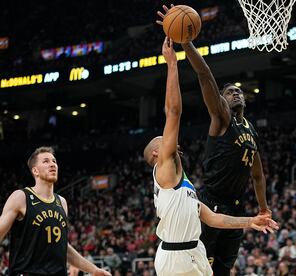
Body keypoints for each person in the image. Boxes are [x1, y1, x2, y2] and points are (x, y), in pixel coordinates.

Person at [143, 37, 279, 276]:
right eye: (230, 92)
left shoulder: (185, 186)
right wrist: (180, 52)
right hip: (182, 248)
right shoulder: (166, 166)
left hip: (226, 214)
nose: (236, 93)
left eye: (239, 91)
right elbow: (179, 105)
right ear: (157, 152)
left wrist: (256, 216)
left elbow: (218, 216)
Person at [0, 146, 111, 276]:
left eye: (54, 161)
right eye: (46, 161)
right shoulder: (21, 197)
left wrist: (94, 270)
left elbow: (64, 249)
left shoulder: (62, 202)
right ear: (35, 171)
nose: (52, 164)